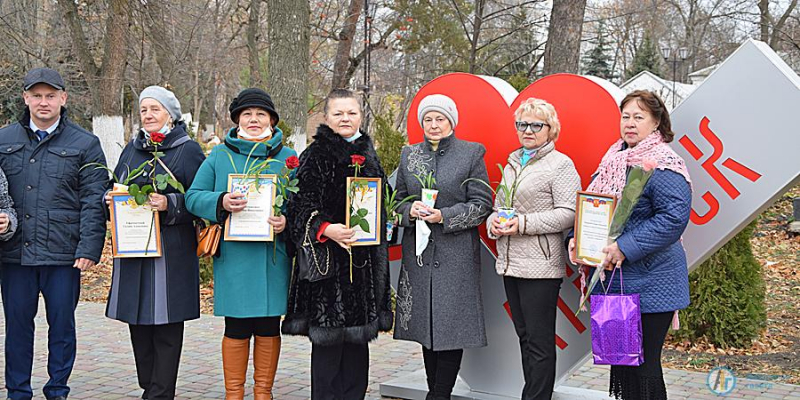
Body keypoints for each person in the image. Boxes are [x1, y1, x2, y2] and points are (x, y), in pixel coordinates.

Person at [568, 90, 692, 400]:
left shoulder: (663, 163)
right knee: (622, 363)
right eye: (626, 116)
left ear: (656, 122)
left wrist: (625, 246)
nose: (630, 123)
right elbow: (597, 210)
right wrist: (579, 241)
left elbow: (673, 218)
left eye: (639, 117)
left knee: (645, 366)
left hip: (653, 280)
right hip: (617, 280)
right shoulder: (614, 159)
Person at [0, 67, 108, 400]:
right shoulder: (3, 140)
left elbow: (94, 199)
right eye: (36, 95)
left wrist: (89, 247)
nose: (43, 102)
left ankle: (57, 389)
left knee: (62, 327)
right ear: (25, 98)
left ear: (63, 98)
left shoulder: (85, 143)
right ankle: (18, 391)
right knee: (17, 328)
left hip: (64, 255)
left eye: (50, 96)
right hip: (14, 254)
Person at [282, 89, 393, 400]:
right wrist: (326, 228)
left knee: (358, 347)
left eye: (351, 113)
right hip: (328, 266)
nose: (346, 118)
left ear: (360, 115)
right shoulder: (315, 155)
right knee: (329, 349)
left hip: (364, 264)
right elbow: (299, 206)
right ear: (327, 118)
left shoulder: (370, 152)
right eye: (338, 114)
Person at [186, 88, 296, 400]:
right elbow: (193, 196)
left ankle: (264, 392)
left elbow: (301, 203)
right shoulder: (219, 156)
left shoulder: (287, 159)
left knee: (268, 326)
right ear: (237, 120)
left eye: (261, 114)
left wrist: (286, 221)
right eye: (247, 114)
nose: (253, 120)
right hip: (234, 256)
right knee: (236, 326)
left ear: (272, 121)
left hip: (271, 257)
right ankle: (233, 393)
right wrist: (220, 200)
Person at [104, 86, 205, 400]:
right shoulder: (131, 149)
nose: (148, 115)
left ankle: (160, 393)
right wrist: (109, 197)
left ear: (170, 115)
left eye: (155, 109)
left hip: (170, 252)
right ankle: (150, 385)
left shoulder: (187, 150)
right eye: (144, 109)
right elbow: (117, 186)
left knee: (166, 326)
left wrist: (171, 203)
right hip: (134, 249)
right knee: (139, 324)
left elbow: (202, 199)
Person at [392, 94, 492, 400]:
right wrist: (409, 212)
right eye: (428, 119)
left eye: (440, 118)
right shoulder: (409, 155)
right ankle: (435, 391)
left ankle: (439, 394)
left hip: (456, 254)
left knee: (450, 328)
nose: (434, 125)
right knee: (426, 326)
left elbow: (482, 204)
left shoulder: (471, 153)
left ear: (451, 121)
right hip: (419, 256)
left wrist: (443, 216)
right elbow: (395, 203)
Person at [486, 98, 581, 399]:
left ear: (551, 129)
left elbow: (569, 212)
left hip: (541, 265)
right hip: (510, 262)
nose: (527, 130)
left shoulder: (561, 164)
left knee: (539, 342)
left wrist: (522, 224)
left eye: (535, 125)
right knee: (524, 336)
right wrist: (493, 223)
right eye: (522, 124)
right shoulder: (513, 161)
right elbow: (500, 206)